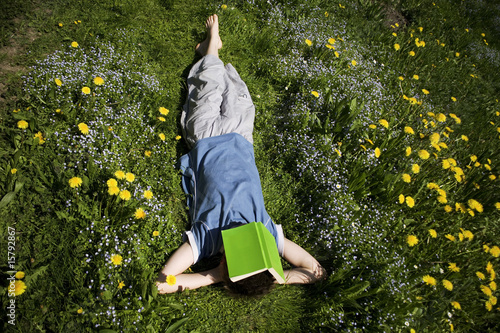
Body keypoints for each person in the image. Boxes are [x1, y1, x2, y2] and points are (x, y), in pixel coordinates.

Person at [156, 14, 326, 295]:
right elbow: (316, 272)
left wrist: (215, 276)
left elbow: (163, 283)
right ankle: (209, 52)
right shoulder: (266, 234)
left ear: (225, 263)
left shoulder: (208, 238)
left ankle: (211, 47)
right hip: (240, 136)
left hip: (207, 137)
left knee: (209, 84)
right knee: (236, 92)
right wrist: (276, 276)